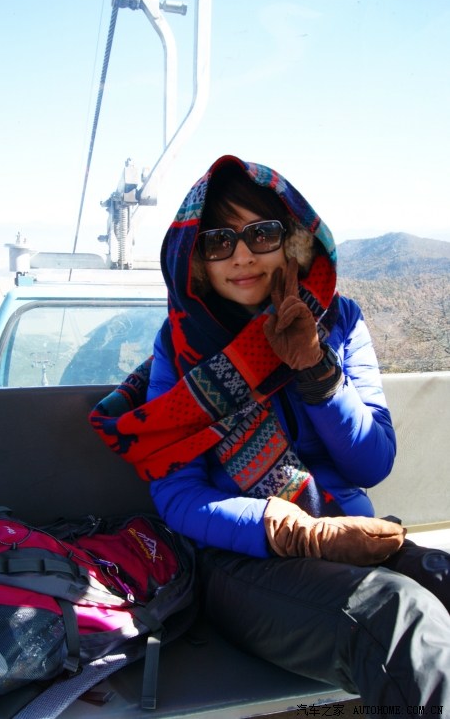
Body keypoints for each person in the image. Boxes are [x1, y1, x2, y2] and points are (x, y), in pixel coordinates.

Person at [90, 155, 450, 711]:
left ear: (293, 243)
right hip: (240, 563)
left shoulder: (339, 322)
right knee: (398, 615)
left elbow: (372, 462)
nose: (241, 256)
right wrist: (291, 532)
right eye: (218, 242)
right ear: (198, 262)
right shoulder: (183, 348)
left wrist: (316, 370)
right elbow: (177, 495)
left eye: (260, 234)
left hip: (353, 531)